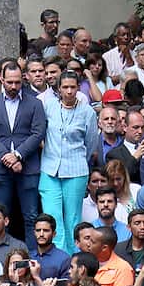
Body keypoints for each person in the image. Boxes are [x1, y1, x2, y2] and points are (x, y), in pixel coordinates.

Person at [0, 61, 47, 243]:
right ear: (1, 78)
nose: (13, 86)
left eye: (17, 82)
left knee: (31, 215)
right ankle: (2, 256)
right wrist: (7, 158)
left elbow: (38, 133)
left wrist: (18, 155)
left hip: (28, 167)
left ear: (23, 79)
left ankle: (34, 255)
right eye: (9, 82)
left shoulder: (35, 104)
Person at [39, 71, 97, 253]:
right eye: (65, 87)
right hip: (49, 168)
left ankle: (73, 259)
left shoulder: (87, 111)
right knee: (52, 217)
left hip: (76, 169)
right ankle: (56, 258)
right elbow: (41, 132)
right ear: (58, 89)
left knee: (73, 218)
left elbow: (91, 142)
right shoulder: (48, 106)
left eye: (73, 87)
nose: (69, 91)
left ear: (79, 88)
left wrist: (79, 158)